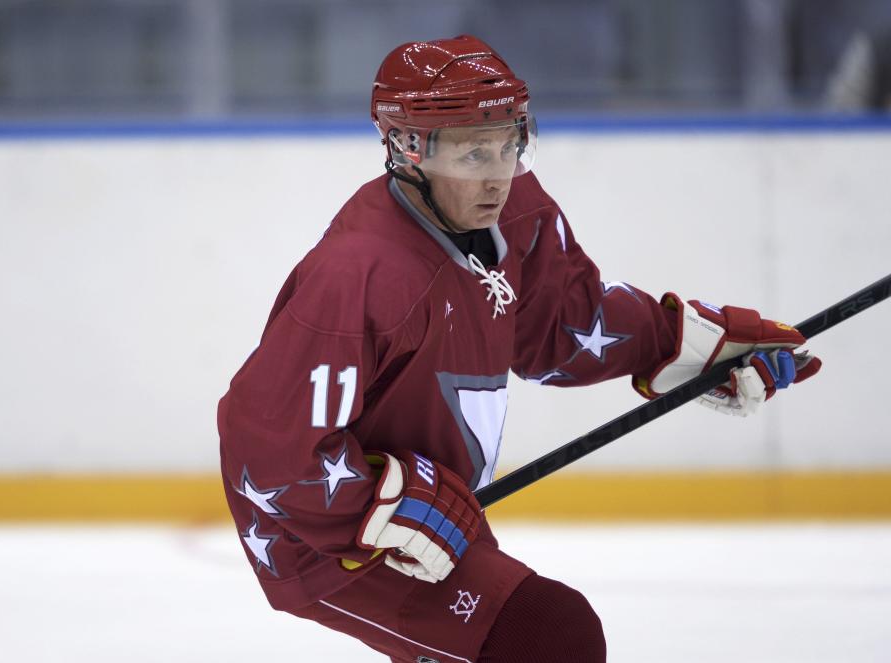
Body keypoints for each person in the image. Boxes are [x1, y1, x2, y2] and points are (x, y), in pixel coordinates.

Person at [218, 35, 821, 663]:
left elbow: (564, 326)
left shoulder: (518, 217)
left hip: (429, 504)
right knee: (547, 636)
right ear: (407, 147)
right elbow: (270, 446)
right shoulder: (361, 274)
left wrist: (684, 345)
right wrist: (376, 505)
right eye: (474, 152)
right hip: (324, 539)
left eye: (510, 143)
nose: (498, 176)